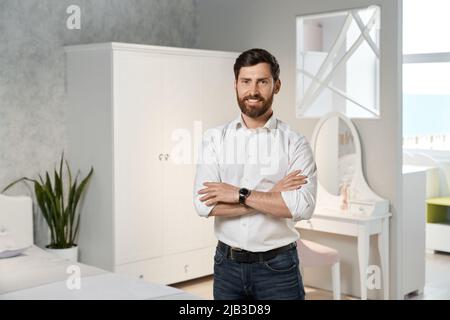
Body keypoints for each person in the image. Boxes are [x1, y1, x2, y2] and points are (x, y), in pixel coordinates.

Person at [193, 48, 317, 300]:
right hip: (226, 267)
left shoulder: (295, 144)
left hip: (279, 269)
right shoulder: (215, 140)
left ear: (277, 85)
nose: (253, 90)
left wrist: (236, 194)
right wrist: (273, 195)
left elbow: (302, 207)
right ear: (235, 85)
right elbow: (203, 205)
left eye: (262, 81)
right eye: (246, 81)